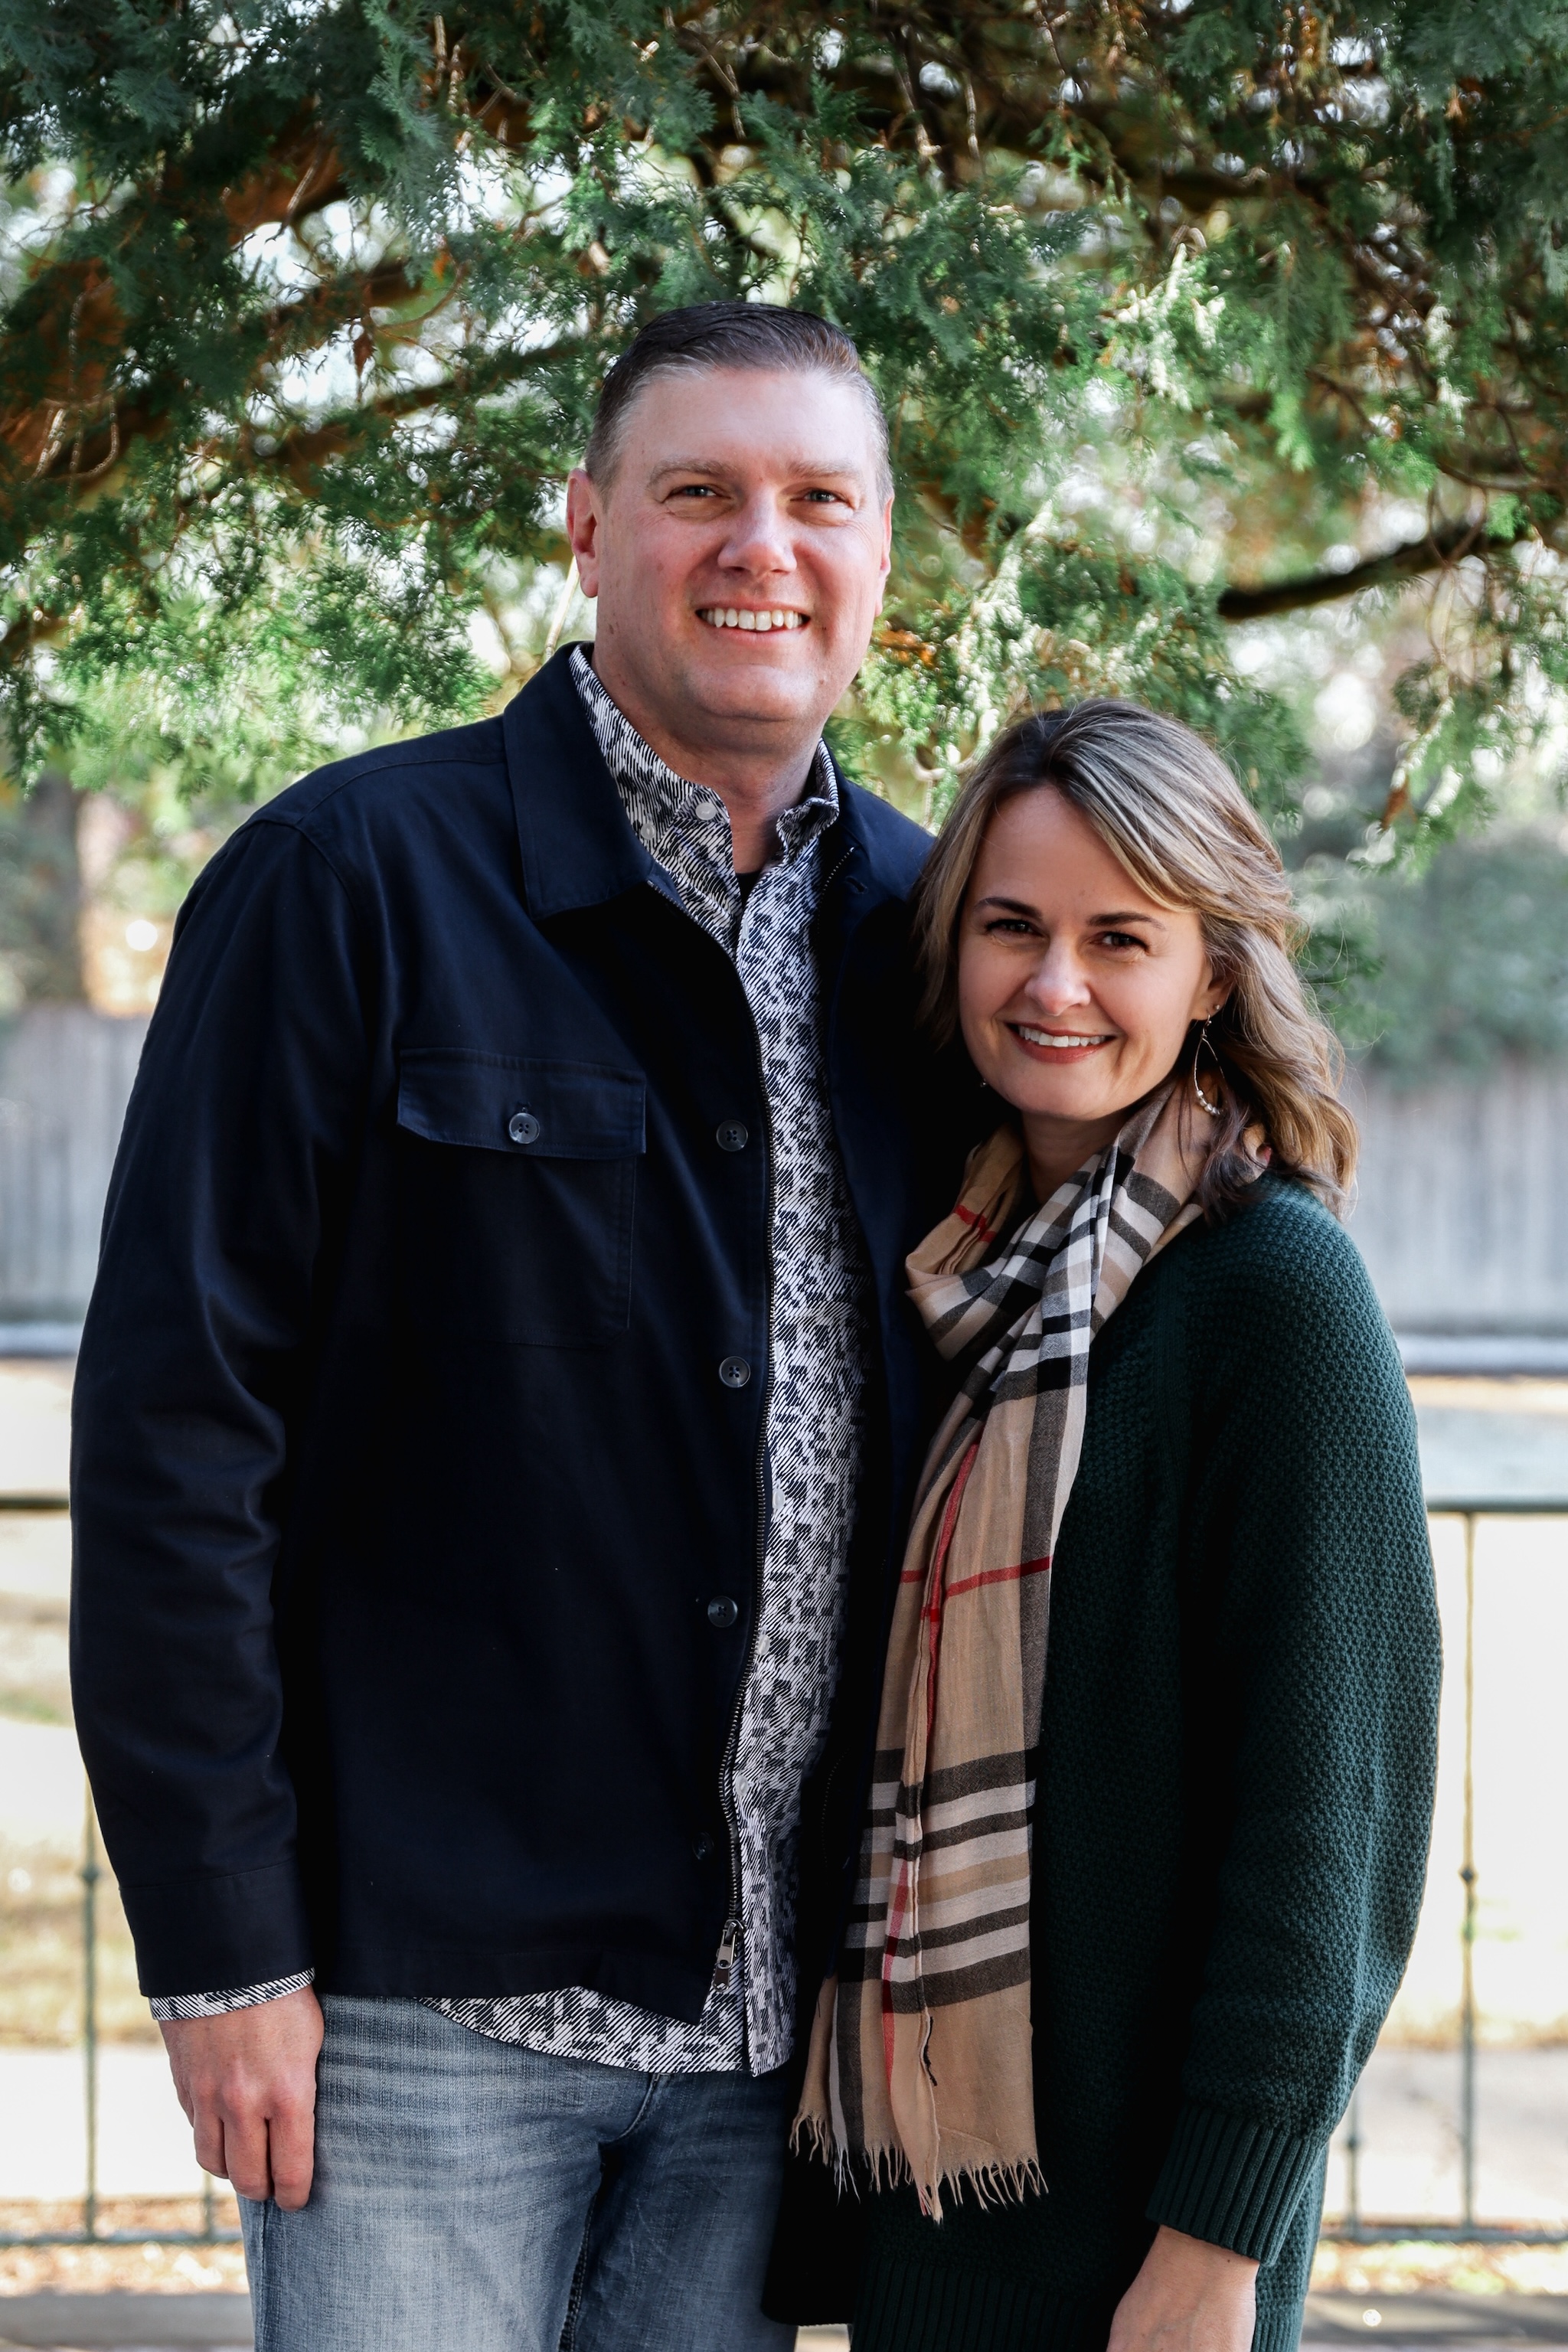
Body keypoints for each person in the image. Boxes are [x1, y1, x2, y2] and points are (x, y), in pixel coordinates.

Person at [69, 303, 959, 2351]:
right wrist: (222, 1956)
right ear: (584, 527)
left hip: (776, 2031)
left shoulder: (932, 936)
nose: (763, 546)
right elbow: (177, 1434)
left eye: (819, 499)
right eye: (696, 494)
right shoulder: (348, 878)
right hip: (414, 2015)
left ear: (882, 556)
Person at [766, 701, 1442, 2352]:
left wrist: (1216, 2237)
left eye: (1117, 939)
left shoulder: (1275, 1297)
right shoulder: (960, 1271)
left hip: (1143, 2244)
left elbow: (1329, 1834)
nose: (1053, 985)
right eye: (1011, 926)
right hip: (932, 2205)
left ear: (1211, 971)